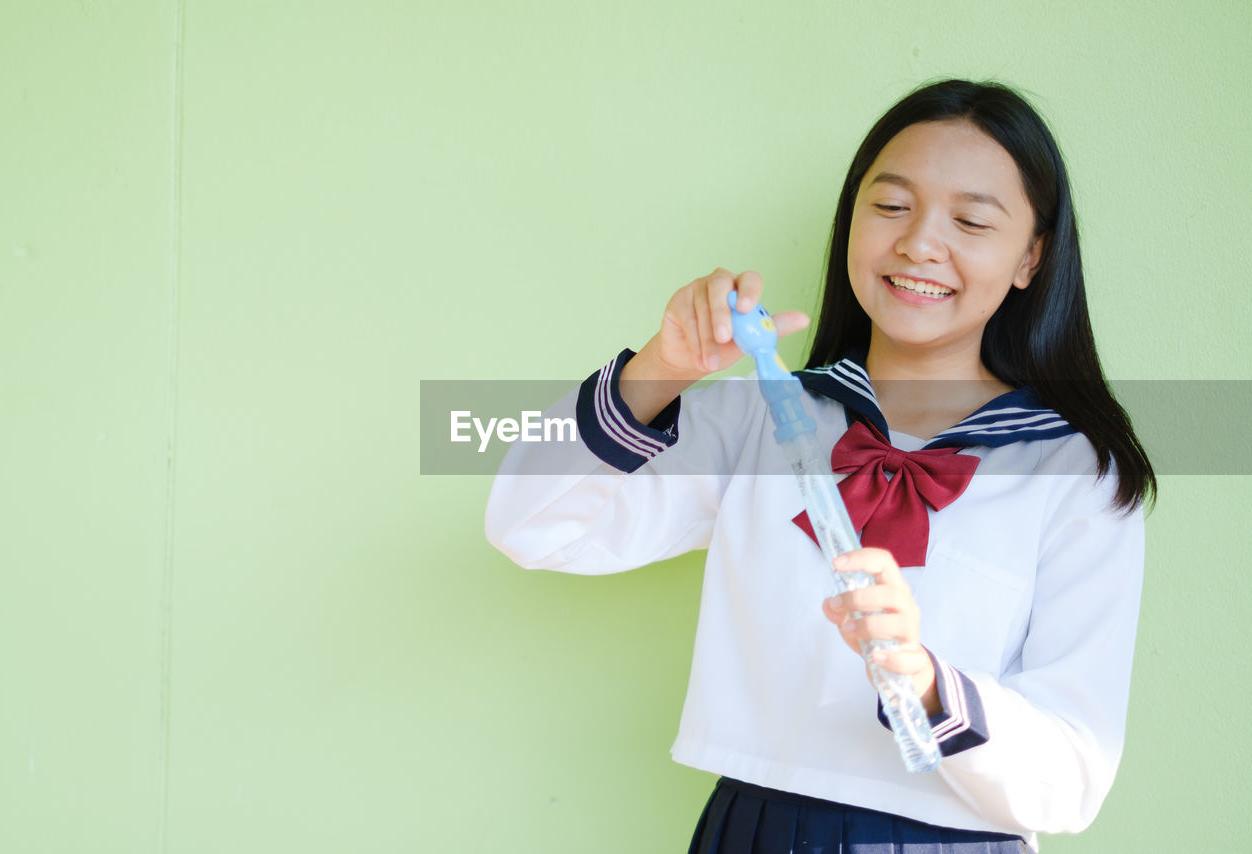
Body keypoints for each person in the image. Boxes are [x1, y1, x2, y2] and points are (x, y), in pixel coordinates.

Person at [485, 79, 1154, 853]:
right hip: (752, 831)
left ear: (1030, 257)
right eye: (891, 206)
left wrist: (933, 682)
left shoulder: (1075, 471)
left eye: (971, 220)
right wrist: (662, 367)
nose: (919, 244)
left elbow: (1075, 774)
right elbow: (530, 528)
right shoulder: (753, 419)